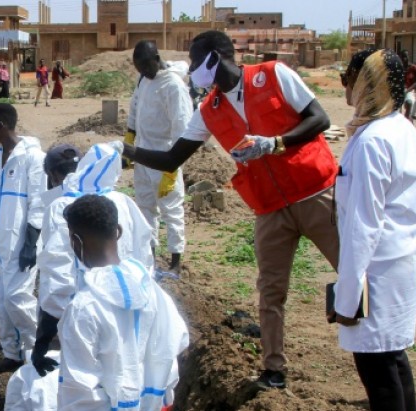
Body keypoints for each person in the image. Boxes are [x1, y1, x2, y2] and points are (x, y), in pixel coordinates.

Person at [124, 30, 340, 389]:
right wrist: (128, 152)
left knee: (351, 271)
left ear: (215, 58)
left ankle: (376, 351)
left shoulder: (273, 75)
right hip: (269, 206)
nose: (191, 68)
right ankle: (273, 369)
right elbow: (173, 157)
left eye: (195, 61)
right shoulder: (209, 110)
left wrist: (275, 143)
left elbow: (319, 119)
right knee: (271, 291)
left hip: (314, 192)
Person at [34, 194, 189, 411]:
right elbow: (170, 373)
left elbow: (80, 396)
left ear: (74, 241)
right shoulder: (157, 295)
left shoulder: (85, 308)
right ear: (118, 232)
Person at [329, 49, 416, 411]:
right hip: (402, 259)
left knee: (376, 364)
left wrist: (348, 291)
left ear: (369, 84)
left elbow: (363, 225)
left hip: (380, 265)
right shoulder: (399, 128)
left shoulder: (373, 141)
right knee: (394, 356)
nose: (346, 89)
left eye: (351, 80)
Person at [32, 142, 154, 376]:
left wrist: (43, 339)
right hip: (134, 305)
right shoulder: (123, 201)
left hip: (86, 319)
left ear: (53, 175)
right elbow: (146, 253)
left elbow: (57, 278)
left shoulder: (62, 207)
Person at [0, 103, 46, 372]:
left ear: (3, 125)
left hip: (20, 242)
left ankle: (35, 352)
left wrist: (30, 244)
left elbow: (38, 202)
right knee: (0, 301)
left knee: (18, 298)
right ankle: (11, 353)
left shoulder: (33, 158)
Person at [126, 40, 194, 277]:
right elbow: (135, 108)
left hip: (166, 156)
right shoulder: (144, 79)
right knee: (145, 208)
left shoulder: (173, 86)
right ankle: (150, 258)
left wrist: (171, 169)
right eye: (140, 69)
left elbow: (182, 130)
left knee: (171, 210)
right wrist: (130, 136)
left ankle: (175, 263)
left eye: (146, 67)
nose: (144, 73)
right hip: (144, 155)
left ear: (156, 59)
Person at [400, 50, 416, 122]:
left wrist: (407, 91)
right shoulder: (399, 68)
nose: (405, 58)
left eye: (406, 56)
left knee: (409, 103)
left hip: (409, 90)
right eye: (403, 57)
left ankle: (408, 122)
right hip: (399, 90)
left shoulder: (413, 68)